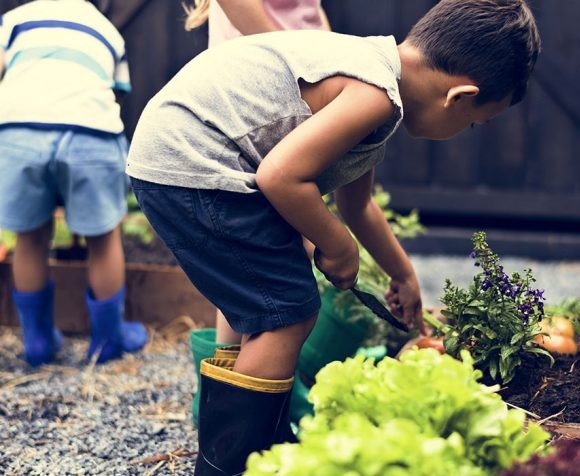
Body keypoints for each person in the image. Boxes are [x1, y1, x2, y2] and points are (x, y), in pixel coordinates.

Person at [127, 0, 540, 473]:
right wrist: (338, 245)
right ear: (460, 96)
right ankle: (229, 464)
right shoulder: (375, 94)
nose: (465, 130)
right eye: (473, 123)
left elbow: (355, 204)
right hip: (193, 161)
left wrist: (401, 274)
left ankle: (260, 440)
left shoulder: (372, 71)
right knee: (285, 313)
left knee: (265, 305)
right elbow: (280, 176)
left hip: (183, 155)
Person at [181, 0, 331, 429]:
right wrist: (301, 76)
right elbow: (273, 41)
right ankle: (238, 400)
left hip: (290, 107)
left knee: (267, 260)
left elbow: (315, 24)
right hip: (257, 103)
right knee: (258, 258)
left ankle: (235, 388)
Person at [0, 0, 148, 367]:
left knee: (30, 237)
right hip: (90, 131)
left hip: (20, 129)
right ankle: (108, 341)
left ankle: (36, 342)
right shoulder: (108, 30)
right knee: (104, 238)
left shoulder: (16, 19)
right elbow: (116, 93)